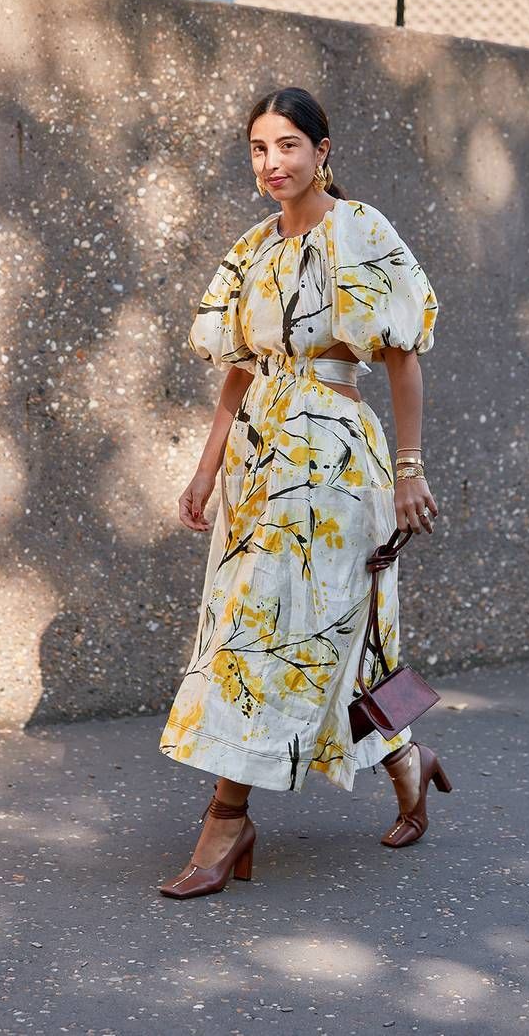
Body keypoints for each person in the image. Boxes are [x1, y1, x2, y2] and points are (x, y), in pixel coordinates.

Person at [158, 86, 452, 900]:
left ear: (324, 150)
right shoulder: (252, 249)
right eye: (259, 148)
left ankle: (226, 819)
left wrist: (411, 470)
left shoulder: (362, 232)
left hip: (331, 456)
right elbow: (240, 369)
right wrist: (205, 467)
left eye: (289, 145)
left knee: (278, 627)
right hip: (258, 462)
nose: (272, 162)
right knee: (297, 628)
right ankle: (406, 756)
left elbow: (400, 357)